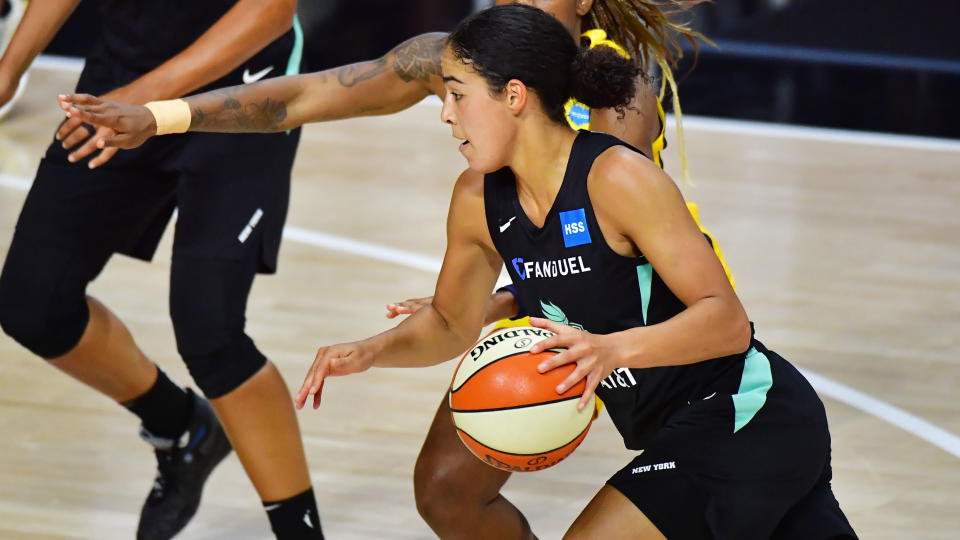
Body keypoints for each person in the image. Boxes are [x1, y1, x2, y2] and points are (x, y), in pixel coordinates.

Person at [55, 1, 737, 536]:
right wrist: (160, 117)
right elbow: (304, 97)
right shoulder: (460, 60)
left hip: (655, 317)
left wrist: (494, 303)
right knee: (445, 488)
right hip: (554, 308)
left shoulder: (616, 92)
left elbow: (595, 257)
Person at [294, 5, 859, 539]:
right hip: (681, 432)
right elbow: (448, 323)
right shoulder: (475, 198)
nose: (444, 112)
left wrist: (610, 350)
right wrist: (372, 350)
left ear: (513, 96)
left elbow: (728, 324)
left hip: (746, 415)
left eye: (458, 96)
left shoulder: (617, 178)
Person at [0, 1, 324, 538]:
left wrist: (151, 97)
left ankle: (301, 532)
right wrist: (11, 65)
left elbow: (269, 10)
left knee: (210, 333)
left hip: (243, 86)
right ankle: (183, 430)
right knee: (32, 305)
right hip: (124, 73)